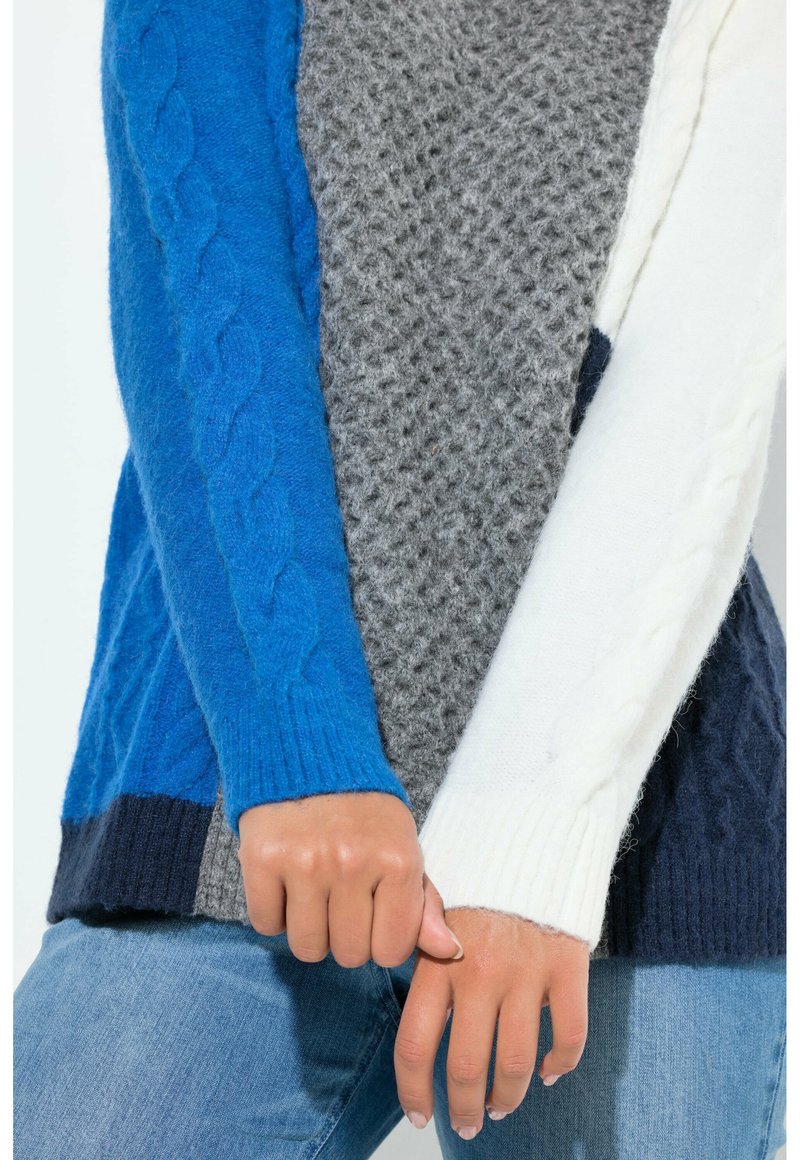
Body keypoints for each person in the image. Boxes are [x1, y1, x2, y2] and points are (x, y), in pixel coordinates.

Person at [15, 0, 786, 1155]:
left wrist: (531, 830)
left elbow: (696, 391)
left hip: (626, 821)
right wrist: (297, 743)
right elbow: (206, 300)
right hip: (224, 792)